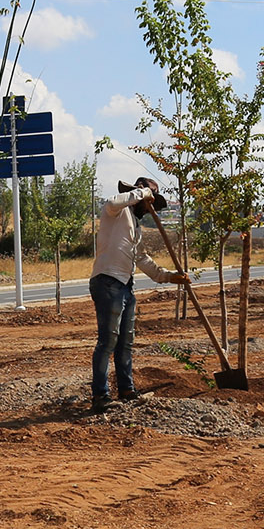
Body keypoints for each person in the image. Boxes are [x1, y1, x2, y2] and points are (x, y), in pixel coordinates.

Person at [89, 176, 190, 413]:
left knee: (125, 342)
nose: (151, 206)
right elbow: (112, 202)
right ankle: (100, 395)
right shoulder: (117, 212)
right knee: (108, 342)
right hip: (107, 281)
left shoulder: (135, 225)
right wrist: (143, 193)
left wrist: (169, 276)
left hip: (125, 285)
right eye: (150, 200)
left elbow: (141, 258)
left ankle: (126, 389)